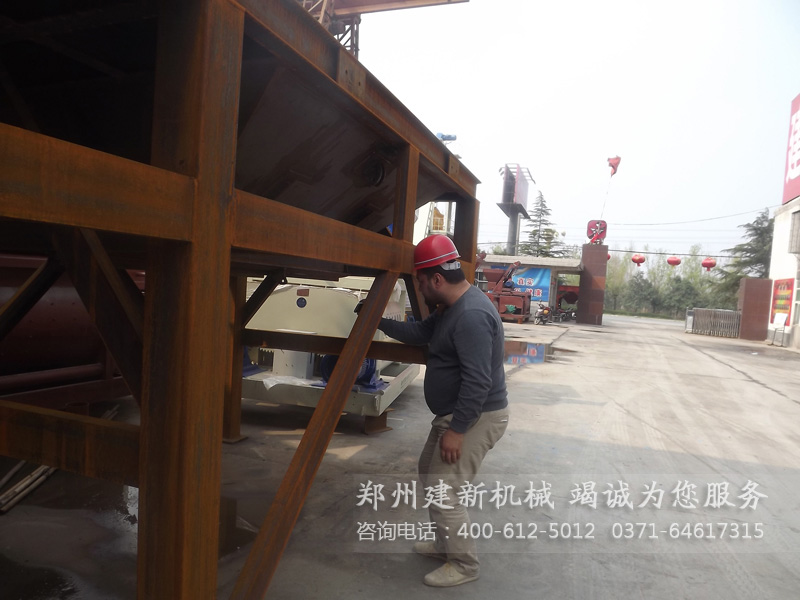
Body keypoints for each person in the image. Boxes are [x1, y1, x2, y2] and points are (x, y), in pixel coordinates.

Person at [377, 234, 509, 588]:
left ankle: (465, 564)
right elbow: (420, 332)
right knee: (428, 472)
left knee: (443, 490)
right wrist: (379, 320)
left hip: (476, 416)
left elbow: (478, 382)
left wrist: (457, 430)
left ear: (436, 279)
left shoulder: (471, 315)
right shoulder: (449, 308)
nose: (419, 289)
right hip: (456, 414)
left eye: (420, 281)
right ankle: (445, 544)